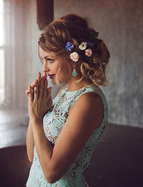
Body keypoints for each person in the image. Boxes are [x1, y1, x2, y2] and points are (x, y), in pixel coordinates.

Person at [25, 14, 110, 187]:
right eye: (43, 60)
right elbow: (31, 155)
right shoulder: (64, 92)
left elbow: (51, 173)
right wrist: (36, 111)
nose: (44, 68)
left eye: (50, 60)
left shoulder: (88, 101)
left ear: (72, 58)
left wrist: (35, 118)